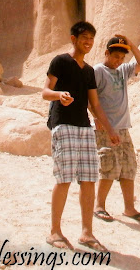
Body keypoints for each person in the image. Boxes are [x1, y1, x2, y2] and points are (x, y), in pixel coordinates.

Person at [42, 21, 120, 253]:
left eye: (91, 38)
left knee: (88, 180)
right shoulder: (60, 61)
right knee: (64, 179)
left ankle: (87, 233)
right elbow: (45, 92)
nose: (88, 42)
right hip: (63, 124)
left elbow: (94, 104)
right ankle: (55, 231)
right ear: (73, 39)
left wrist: (110, 129)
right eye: (84, 37)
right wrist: (59, 95)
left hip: (85, 128)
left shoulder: (89, 71)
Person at [92, 34, 140, 224]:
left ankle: (129, 208)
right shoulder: (98, 71)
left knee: (128, 168)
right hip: (106, 128)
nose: (119, 61)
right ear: (106, 53)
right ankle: (99, 206)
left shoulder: (123, 70)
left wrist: (131, 45)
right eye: (116, 56)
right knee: (109, 166)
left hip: (123, 128)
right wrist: (97, 119)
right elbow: (89, 97)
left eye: (122, 57)